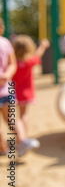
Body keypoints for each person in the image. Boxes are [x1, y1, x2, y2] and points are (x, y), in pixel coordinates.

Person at [0, 20, 39, 157]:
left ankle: (3, 147)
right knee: (14, 118)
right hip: (8, 89)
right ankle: (22, 140)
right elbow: (13, 64)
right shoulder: (6, 43)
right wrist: (6, 75)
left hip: (8, 89)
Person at [12, 36, 50, 133]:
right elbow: (37, 55)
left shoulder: (12, 64)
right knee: (23, 115)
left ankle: (19, 136)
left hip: (13, 93)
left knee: (13, 116)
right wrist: (43, 46)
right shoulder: (29, 62)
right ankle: (23, 136)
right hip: (26, 93)